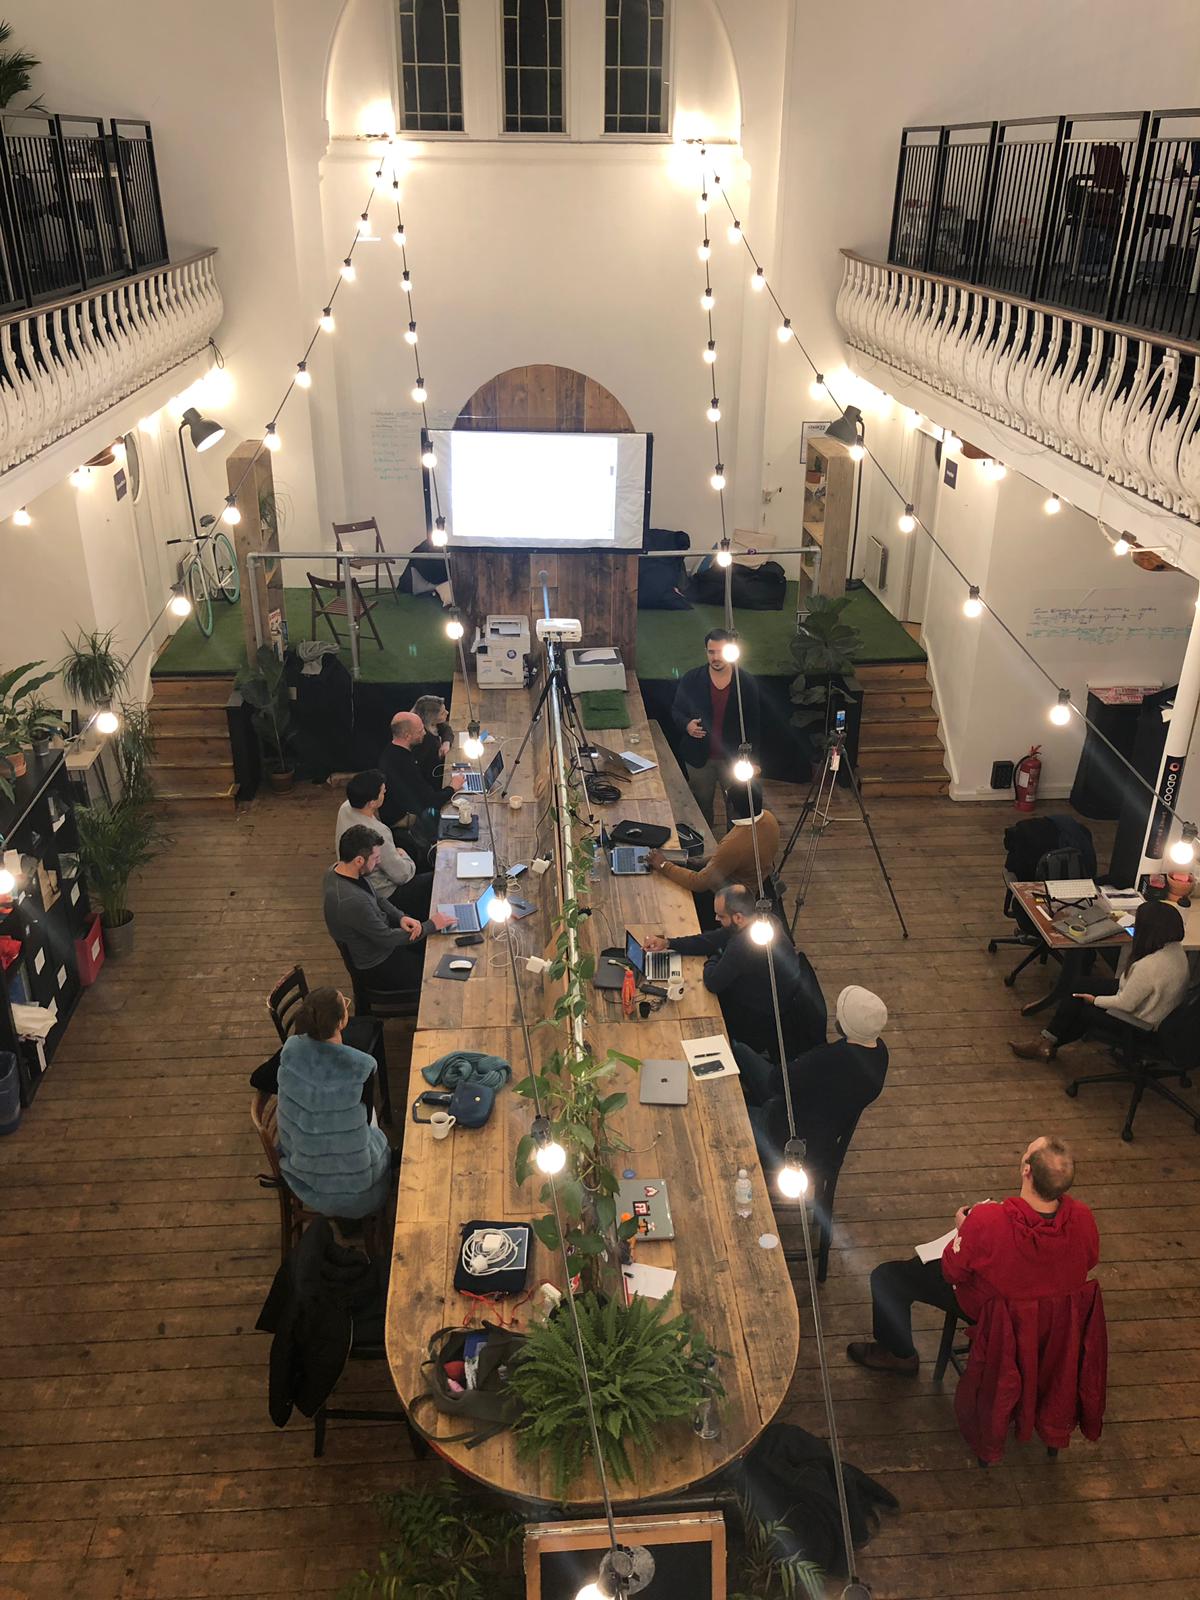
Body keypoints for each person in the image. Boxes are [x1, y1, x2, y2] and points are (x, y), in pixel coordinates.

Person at [846, 1135, 1099, 1376]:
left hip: (996, 1312)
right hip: (1049, 1319)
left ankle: (899, 1355)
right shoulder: (1083, 1217)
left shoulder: (988, 1220)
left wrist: (962, 1230)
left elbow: (951, 1271)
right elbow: (1090, 1260)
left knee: (887, 1278)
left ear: (1027, 1170)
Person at [645, 884, 822, 1060]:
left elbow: (713, 982)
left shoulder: (744, 944)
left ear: (738, 917)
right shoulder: (767, 921)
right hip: (774, 1001)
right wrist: (669, 943)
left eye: (721, 916)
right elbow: (714, 938)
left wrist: (714, 957)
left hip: (756, 1015)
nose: (716, 918)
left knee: (691, 1010)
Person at [1010, 899, 1188, 1063]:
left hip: (1139, 1023)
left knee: (1082, 1007)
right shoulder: (1176, 951)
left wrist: (1094, 1000)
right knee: (1080, 985)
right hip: (1153, 1010)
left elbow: (1126, 1004)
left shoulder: (1149, 966)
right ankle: (1047, 1041)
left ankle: (1044, 1043)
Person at [741, 986, 889, 1175]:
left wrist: (801, 1061)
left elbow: (777, 1081)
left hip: (785, 1133)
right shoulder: (880, 1054)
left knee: (728, 1114)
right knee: (741, 1052)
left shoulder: (831, 1059)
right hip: (818, 1128)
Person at [274, 987, 393, 1220]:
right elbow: (365, 1151)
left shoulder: (290, 1054)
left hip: (304, 1174)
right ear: (341, 1022)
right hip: (357, 1190)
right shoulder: (358, 1070)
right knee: (375, 1130)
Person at [323, 824, 453, 986]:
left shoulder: (337, 869)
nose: (378, 863)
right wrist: (431, 925)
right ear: (359, 860)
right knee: (439, 972)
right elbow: (387, 938)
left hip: (381, 939)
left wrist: (400, 916)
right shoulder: (352, 901)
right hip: (379, 961)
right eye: (375, 858)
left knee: (437, 947)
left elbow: (377, 897)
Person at [670, 628, 761, 827]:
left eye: (721, 652)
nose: (716, 657)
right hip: (699, 758)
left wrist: (754, 760)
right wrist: (687, 725)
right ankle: (705, 848)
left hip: (734, 759)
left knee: (737, 808)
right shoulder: (692, 679)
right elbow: (676, 710)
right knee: (700, 807)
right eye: (711, 652)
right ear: (706, 652)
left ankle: (733, 849)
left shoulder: (745, 683)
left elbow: (755, 724)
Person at [646, 780, 779, 898]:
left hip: (733, 896)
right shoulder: (769, 818)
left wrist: (663, 865)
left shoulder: (734, 843)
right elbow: (734, 857)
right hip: (757, 881)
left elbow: (699, 883)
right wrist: (701, 862)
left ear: (731, 807)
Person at [335, 769, 431, 918]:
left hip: (358, 882)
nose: (385, 792)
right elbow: (402, 875)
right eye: (382, 792)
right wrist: (405, 857)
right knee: (434, 878)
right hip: (384, 894)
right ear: (372, 802)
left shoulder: (345, 808)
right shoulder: (377, 832)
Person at [377, 710, 464, 829]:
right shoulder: (403, 765)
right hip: (404, 819)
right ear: (407, 736)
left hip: (413, 804)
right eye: (420, 731)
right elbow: (430, 802)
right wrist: (452, 787)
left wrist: (446, 742)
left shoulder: (393, 749)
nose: (424, 733)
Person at [410, 694, 453, 788]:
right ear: (431, 717)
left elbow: (446, 728)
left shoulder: (432, 723)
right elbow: (431, 770)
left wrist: (446, 742)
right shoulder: (424, 739)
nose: (447, 712)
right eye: (442, 713)